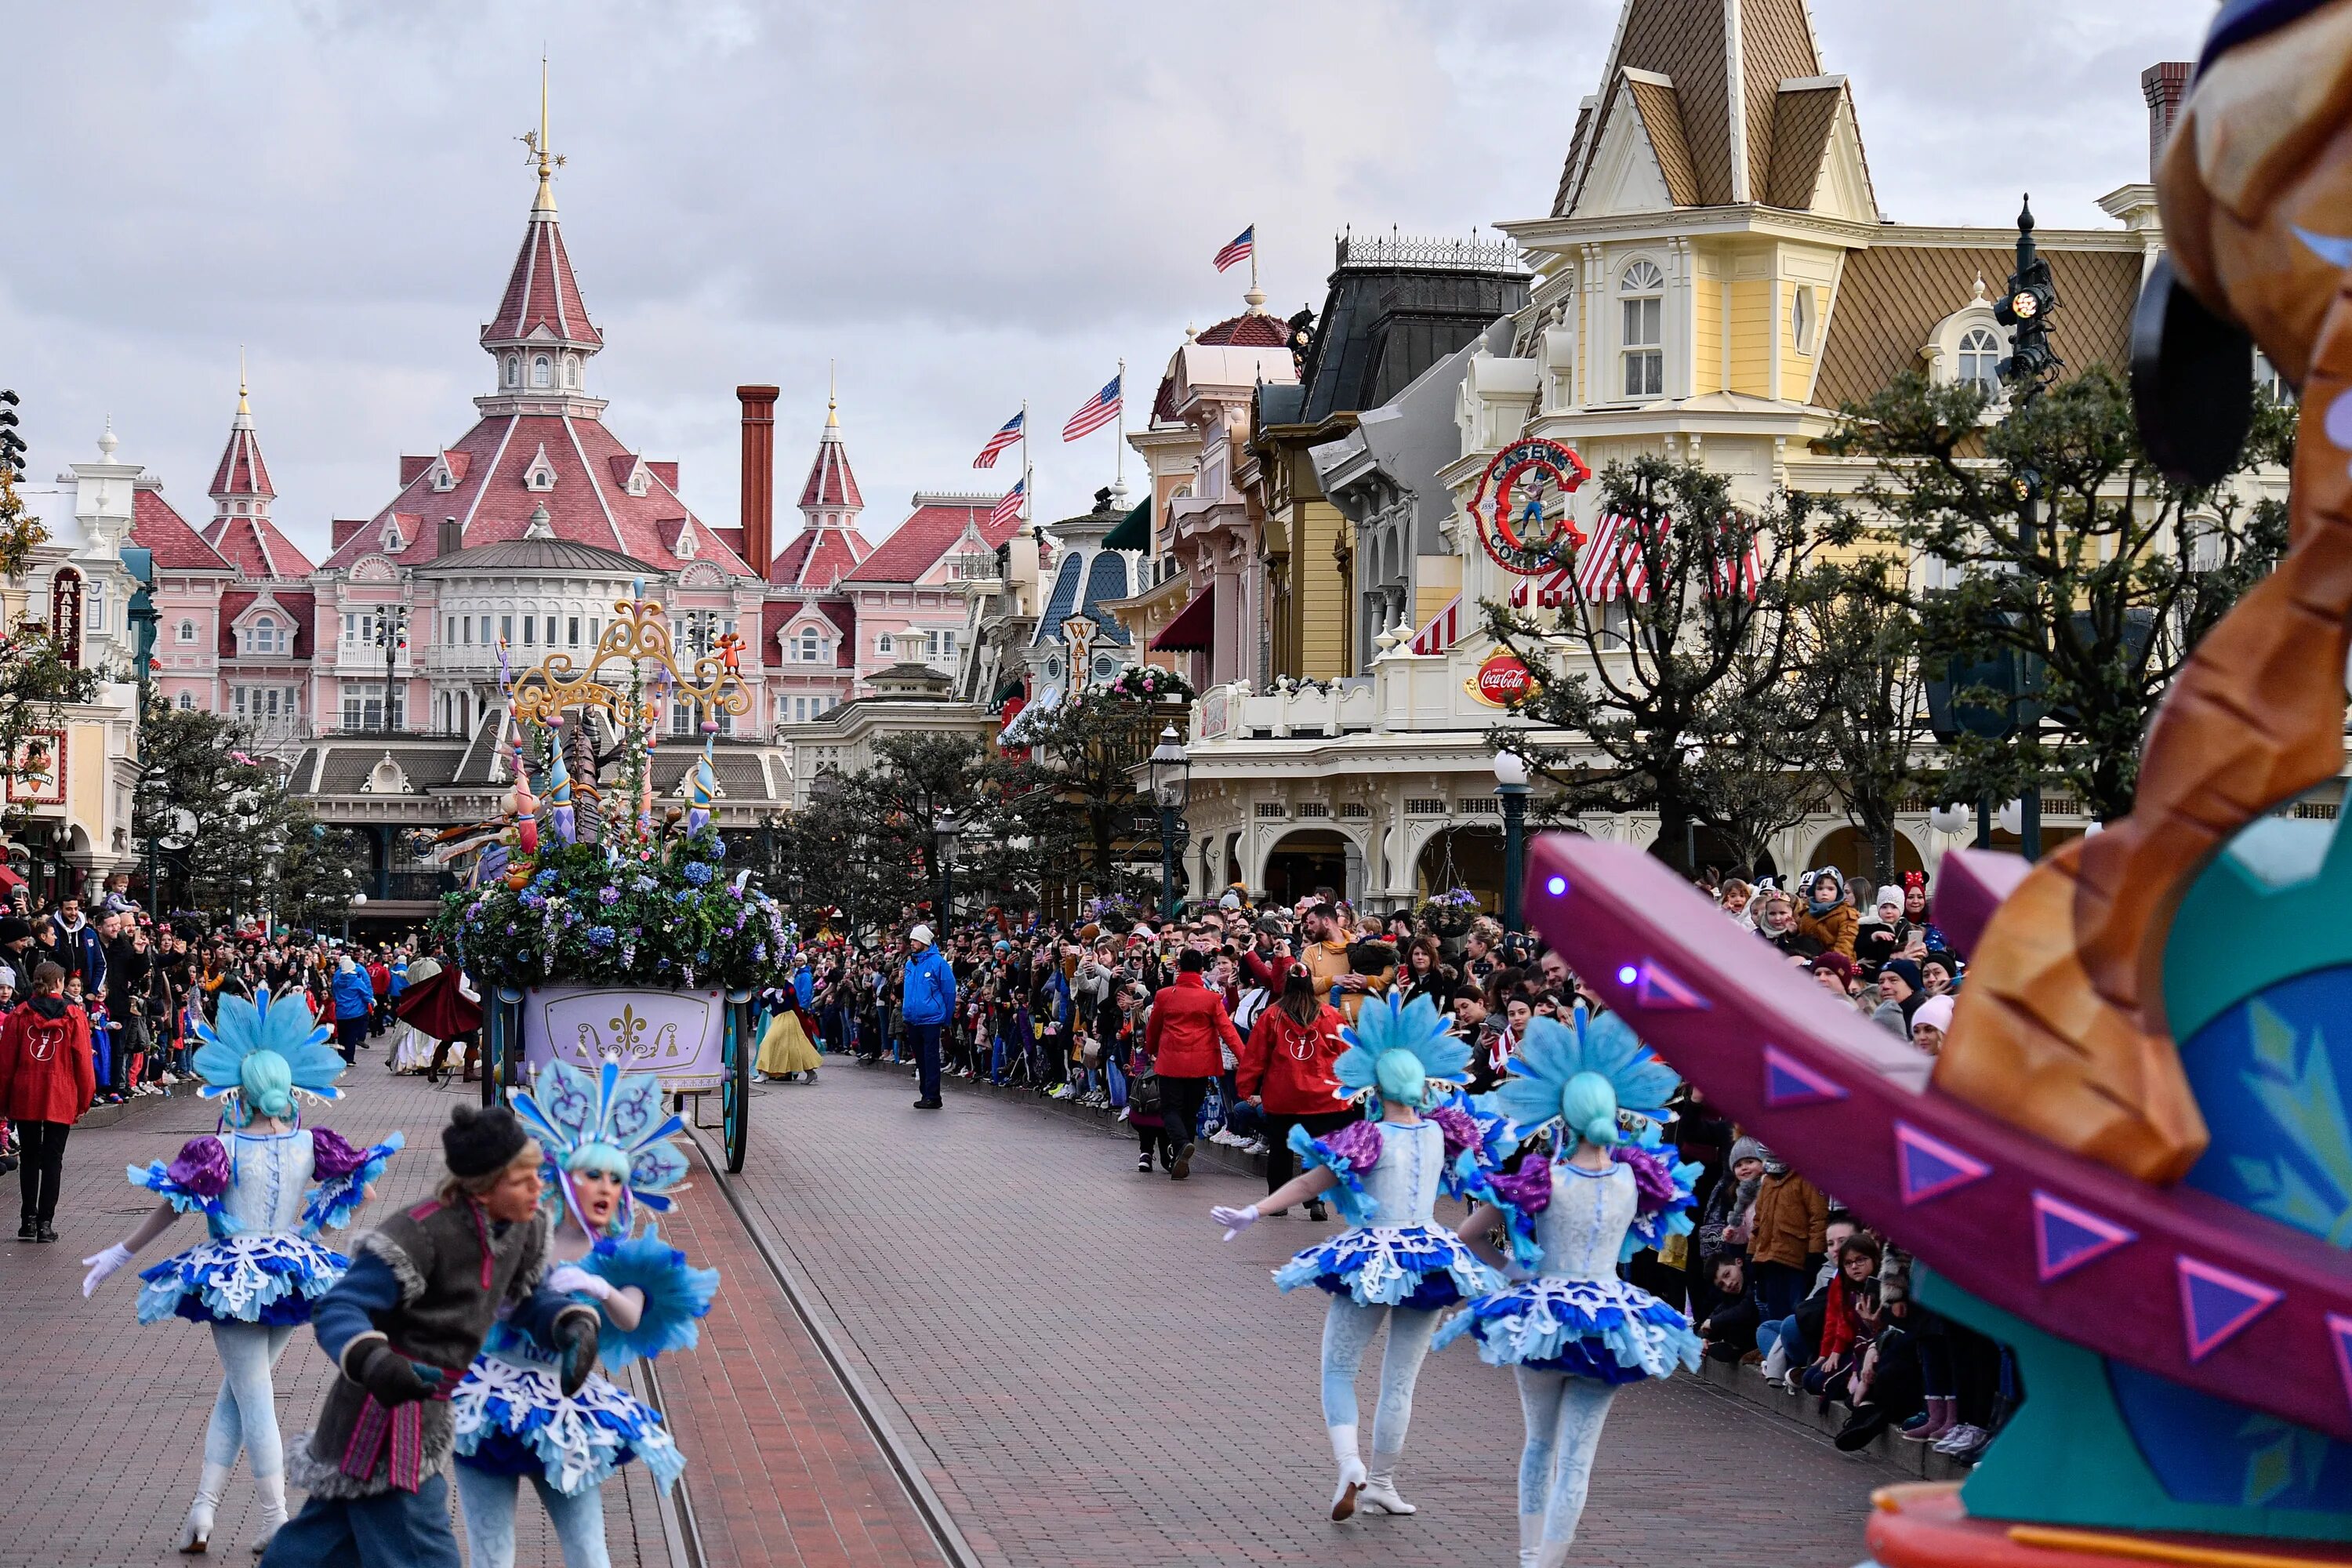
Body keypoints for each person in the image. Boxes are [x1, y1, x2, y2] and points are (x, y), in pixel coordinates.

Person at [78, 985, 401, 1553]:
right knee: (241, 1389)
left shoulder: (220, 1150)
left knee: (253, 1395)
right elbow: (366, 1192)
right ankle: (203, 1510)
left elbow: (173, 1205)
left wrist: (121, 1252)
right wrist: (310, 1234)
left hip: (232, 1277)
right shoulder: (310, 1142)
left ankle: (276, 1518)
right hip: (291, 1271)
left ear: (238, 1091)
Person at [262, 1105, 600, 1568]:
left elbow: (521, 1299)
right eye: (524, 1181)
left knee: (315, 1548)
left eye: (538, 1176)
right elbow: (340, 1307)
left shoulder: (524, 1228)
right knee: (425, 1555)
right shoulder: (420, 1232)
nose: (539, 1189)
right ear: (483, 1188)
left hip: (430, 1413)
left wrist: (568, 1321)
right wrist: (376, 1361)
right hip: (382, 1416)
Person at [1209, 994, 1501, 1524]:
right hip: (1429, 1253)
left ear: (1373, 1083)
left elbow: (1307, 1181)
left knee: (1339, 1370)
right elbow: (1489, 1184)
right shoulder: (1443, 1132)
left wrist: (1255, 1210)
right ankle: (1384, 1482)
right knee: (1400, 1381)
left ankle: (1351, 1465)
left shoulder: (1366, 1135)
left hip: (1372, 1255)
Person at [1439, 1011, 1700, 1568]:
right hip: (1608, 1315)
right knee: (1578, 1459)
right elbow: (1649, 1226)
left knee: (1539, 1445)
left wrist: (1517, 1275)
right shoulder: (1640, 1176)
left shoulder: (1543, 1176)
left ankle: (1530, 1553)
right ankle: (1548, 1562)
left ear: (1559, 1112)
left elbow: (1467, 1236)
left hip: (1542, 1313)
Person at [452, 1061, 718, 1568]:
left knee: (590, 1554)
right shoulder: (518, 1235)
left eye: (615, 1179)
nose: (604, 1188)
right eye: (592, 1175)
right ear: (563, 1178)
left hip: (564, 1405)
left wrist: (599, 1287)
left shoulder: (621, 1259)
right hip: (487, 1400)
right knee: (490, 1554)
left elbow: (631, 1320)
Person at [1236, 964, 1351, 1221]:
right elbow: (1346, 1056)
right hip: (1321, 1098)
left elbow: (1255, 1056)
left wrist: (1245, 1088)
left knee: (1280, 1149)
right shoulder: (1330, 1016)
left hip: (1282, 1097)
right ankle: (1317, 1200)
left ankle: (1278, 1200)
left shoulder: (1272, 1016)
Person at [0, 961, 95, 1242]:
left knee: (29, 1156)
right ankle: (45, 1224)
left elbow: (6, 1062)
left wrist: (3, 1100)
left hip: (26, 1090)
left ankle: (27, 1220)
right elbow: (83, 1062)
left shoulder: (20, 1014)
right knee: (53, 1159)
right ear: (59, 984)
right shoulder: (74, 1016)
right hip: (60, 1091)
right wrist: (84, 1099)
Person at [1146, 949, 1245, 1180]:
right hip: (1201, 1065)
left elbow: (1153, 1029)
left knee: (1170, 1109)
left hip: (1170, 1062)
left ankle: (1181, 1146)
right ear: (1202, 970)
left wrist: (1151, 1050)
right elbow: (1228, 1031)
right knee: (1190, 1112)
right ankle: (1184, 1157)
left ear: (1179, 968)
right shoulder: (1211, 999)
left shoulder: (1164, 995)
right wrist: (1246, 1058)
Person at [901, 923, 956, 1110]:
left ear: (924, 940)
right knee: (921, 1058)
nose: (912, 943)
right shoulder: (910, 963)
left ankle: (933, 1096)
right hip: (912, 1018)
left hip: (931, 1019)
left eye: (915, 940)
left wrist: (946, 1019)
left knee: (931, 1057)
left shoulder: (938, 963)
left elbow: (949, 992)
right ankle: (925, 1093)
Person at [330, 955, 375, 1063]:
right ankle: (349, 1058)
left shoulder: (337, 981)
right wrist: (371, 1001)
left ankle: (341, 1057)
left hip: (341, 1012)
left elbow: (334, 993)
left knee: (342, 1036)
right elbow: (365, 994)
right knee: (351, 1035)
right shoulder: (357, 981)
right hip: (356, 1012)